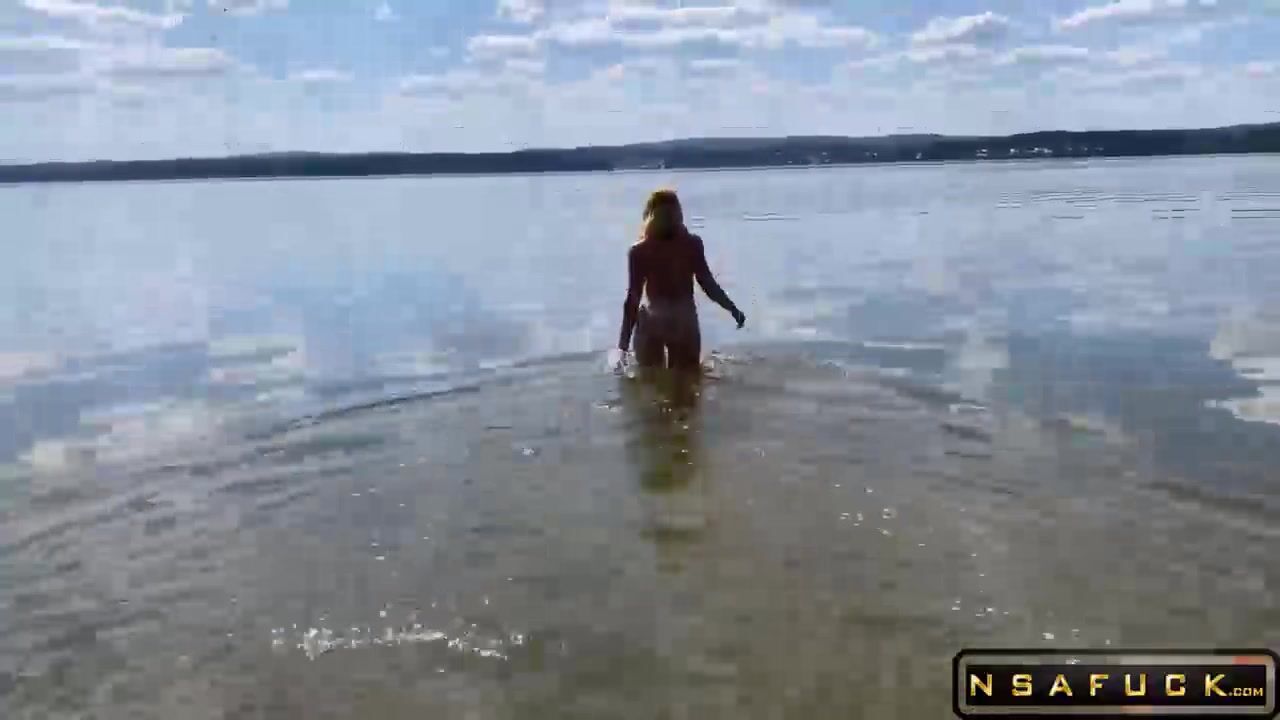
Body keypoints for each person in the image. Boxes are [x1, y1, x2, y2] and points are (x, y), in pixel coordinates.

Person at [618, 189, 746, 370]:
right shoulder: (690, 244)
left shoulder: (640, 251)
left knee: (649, 381)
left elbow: (633, 298)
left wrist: (622, 346)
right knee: (688, 380)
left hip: (655, 320)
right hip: (682, 320)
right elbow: (708, 284)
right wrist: (732, 309)